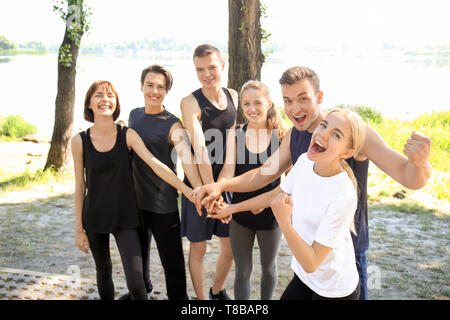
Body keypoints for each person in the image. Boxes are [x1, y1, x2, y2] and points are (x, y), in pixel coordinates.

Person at [195, 66, 432, 300]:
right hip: (306, 252)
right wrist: (220, 187)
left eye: (302, 99)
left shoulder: (355, 132)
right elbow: (265, 174)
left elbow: (408, 176)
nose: (294, 109)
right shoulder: (296, 135)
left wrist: (420, 163)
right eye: (287, 101)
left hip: (344, 253)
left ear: (319, 97)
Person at [71, 80, 194, 300]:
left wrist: (186, 189)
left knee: (136, 283)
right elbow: (80, 186)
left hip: (125, 217)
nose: (104, 100)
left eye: (110, 96)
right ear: (89, 103)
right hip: (95, 216)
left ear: (116, 102)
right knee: (104, 272)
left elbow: (155, 164)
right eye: (98, 95)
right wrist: (79, 229)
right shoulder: (79, 141)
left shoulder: (127, 134)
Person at [117, 65, 203, 300]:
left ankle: (179, 299)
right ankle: (142, 290)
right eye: (150, 85)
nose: (154, 91)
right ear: (142, 86)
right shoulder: (134, 114)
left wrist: (197, 191)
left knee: (172, 261)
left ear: (167, 91)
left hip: (162, 204)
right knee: (140, 253)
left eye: (160, 87)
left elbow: (187, 160)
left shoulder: (173, 124)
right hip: (135, 201)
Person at [272, 108, 365, 299]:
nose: (323, 134)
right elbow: (277, 194)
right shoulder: (305, 161)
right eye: (324, 125)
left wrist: (284, 222)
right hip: (305, 276)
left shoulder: (343, 195)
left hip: (334, 288)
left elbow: (312, 262)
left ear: (347, 152)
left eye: (336, 135)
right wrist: (231, 208)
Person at [208, 80, 286, 300]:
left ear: (269, 103)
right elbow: (227, 171)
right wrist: (220, 194)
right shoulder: (236, 132)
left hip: (271, 214)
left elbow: (289, 181)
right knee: (242, 270)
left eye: (257, 103)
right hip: (239, 213)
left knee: (268, 268)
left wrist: (264, 203)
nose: (252, 109)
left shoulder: (282, 136)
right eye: (246, 104)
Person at [179, 44, 238, 300]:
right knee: (198, 246)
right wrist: (210, 192)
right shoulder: (190, 102)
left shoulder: (234, 95)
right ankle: (202, 301)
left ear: (222, 66)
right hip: (199, 184)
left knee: (230, 245)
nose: (206, 74)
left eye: (212, 67)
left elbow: (234, 145)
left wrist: (222, 187)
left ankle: (217, 291)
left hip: (226, 183)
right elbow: (200, 149)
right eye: (200, 69)